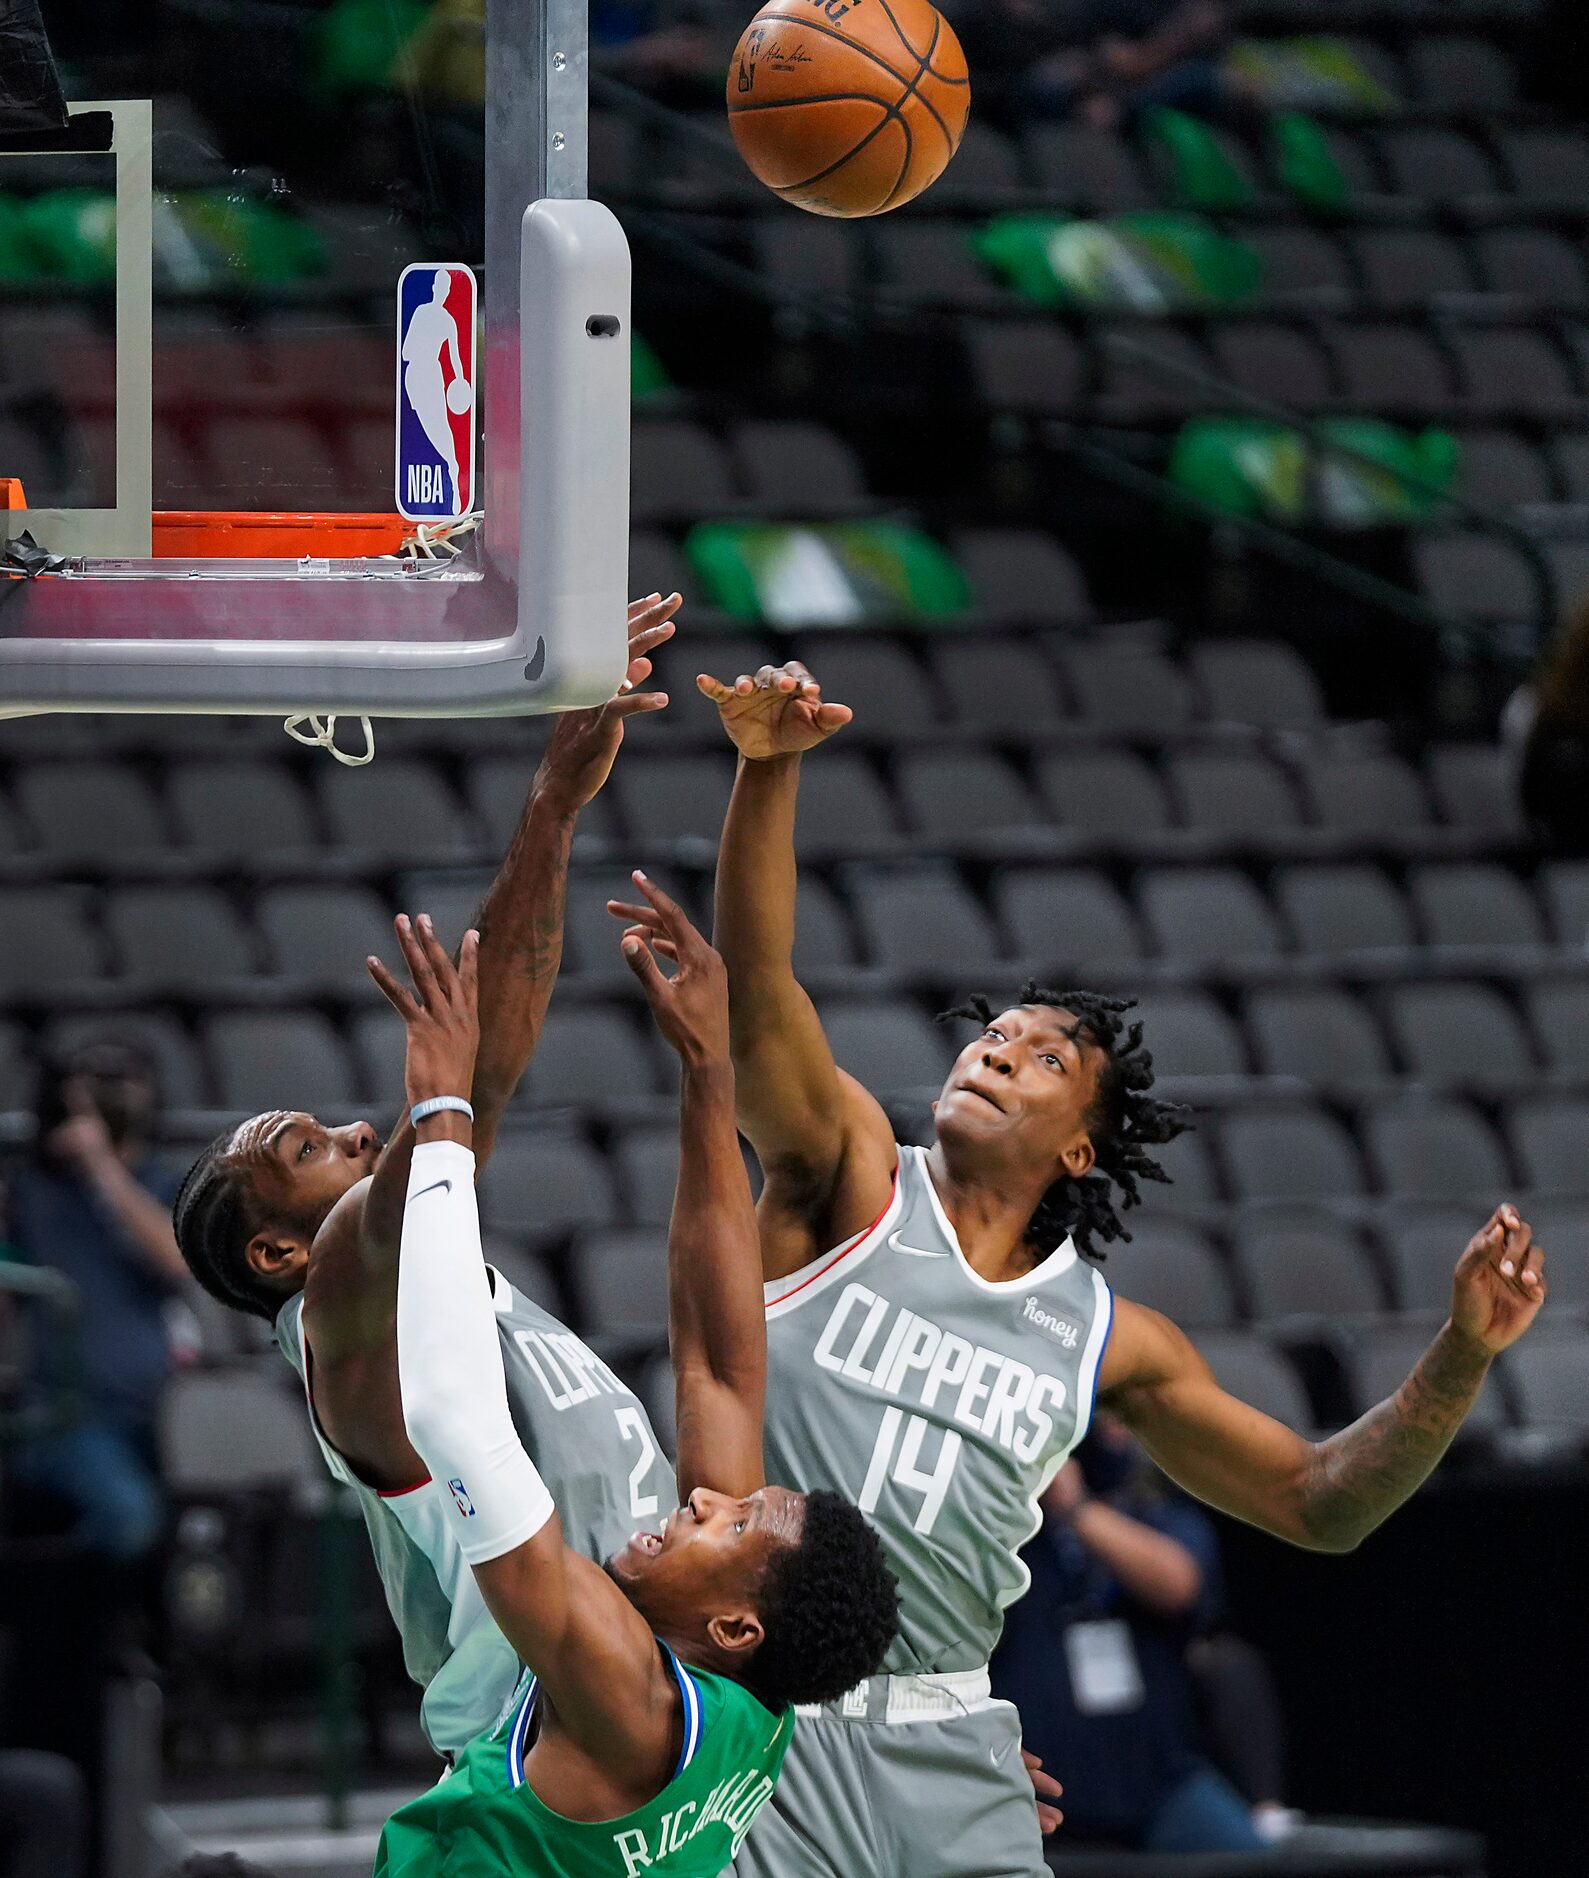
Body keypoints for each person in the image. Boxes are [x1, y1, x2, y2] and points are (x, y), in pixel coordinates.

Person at [637, 655, 1550, 1878]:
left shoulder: (1109, 1340)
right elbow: (755, 1004)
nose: (998, 1052)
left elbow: (1316, 1503)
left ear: (1078, 1145)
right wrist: (768, 773)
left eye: (1041, 1056)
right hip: (755, 1719)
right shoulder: (848, 1175)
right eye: (992, 1035)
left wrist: (1458, 1358)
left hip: (952, 1740)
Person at [170, 596, 684, 1760]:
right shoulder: (338, 1315)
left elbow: (481, 1084)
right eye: (309, 1149)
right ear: (275, 1253)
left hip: (644, 1704)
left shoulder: (421, 1272)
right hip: (538, 1744)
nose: (355, 1130)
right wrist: (548, 807)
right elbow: (478, 1086)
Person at [368, 882, 897, 1874]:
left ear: (737, 1623)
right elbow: (720, 1361)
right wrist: (707, 1070)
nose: (701, 1499)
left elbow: (454, 1420)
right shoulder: (747, 1703)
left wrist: (442, 1115)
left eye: (728, 1523)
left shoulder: (623, 1683)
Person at [992, 1416, 1267, 1853]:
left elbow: (1179, 1584)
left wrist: (1076, 1509)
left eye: (1128, 1417)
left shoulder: (1151, 1508)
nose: (1120, 1430)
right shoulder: (1004, 1527)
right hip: (1035, 1791)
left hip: (1158, 1783)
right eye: (1108, 1418)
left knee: (1249, 1856)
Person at [9, 1039, 187, 1562]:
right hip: (65, 1415)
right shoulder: (33, 1191)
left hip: (159, 1414)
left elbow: (176, 1260)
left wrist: (103, 1165)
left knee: (216, 1517)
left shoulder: (161, 1182)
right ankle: (71, 1632)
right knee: (129, 1516)